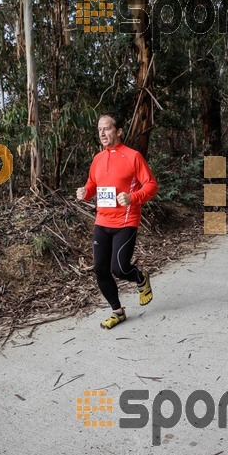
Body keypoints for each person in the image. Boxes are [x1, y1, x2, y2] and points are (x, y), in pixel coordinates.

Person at [76, 113, 158, 330]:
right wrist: (85, 192)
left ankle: (140, 278)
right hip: (102, 221)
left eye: (107, 129)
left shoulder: (133, 156)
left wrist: (133, 197)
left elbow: (151, 185)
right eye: (99, 130)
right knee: (101, 269)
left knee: (120, 268)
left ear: (118, 131)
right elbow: (93, 184)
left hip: (126, 220)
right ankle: (117, 312)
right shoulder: (97, 159)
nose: (102, 133)